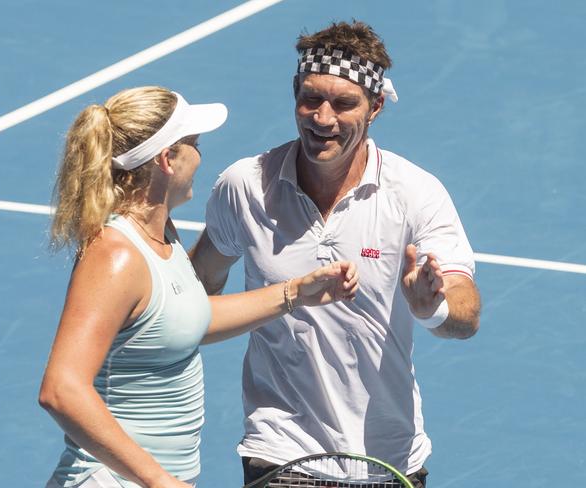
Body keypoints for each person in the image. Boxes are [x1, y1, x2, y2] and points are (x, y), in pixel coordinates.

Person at [190, 21, 481, 488]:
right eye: (310, 99)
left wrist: (434, 308)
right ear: (294, 93)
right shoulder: (245, 186)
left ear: (376, 107)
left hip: (390, 457)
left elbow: (465, 314)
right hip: (281, 450)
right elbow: (192, 294)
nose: (322, 118)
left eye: (344, 104)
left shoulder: (416, 194)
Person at [38, 86, 359, 488]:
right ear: (166, 159)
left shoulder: (161, 237)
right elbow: (61, 389)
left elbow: (185, 319)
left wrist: (295, 293)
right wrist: (157, 479)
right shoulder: (116, 255)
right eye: (193, 145)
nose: (200, 156)